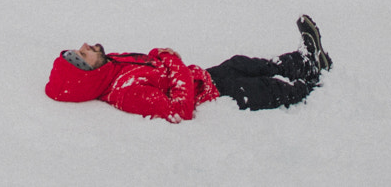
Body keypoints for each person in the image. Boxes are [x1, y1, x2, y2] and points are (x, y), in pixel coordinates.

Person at [42, 16, 331, 122]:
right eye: (82, 54)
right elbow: (179, 109)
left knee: (243, 63)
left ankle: (304, 62)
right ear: (87, 73)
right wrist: (172, 61)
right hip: (214, 98)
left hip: (203, 77)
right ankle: (315, 86)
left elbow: (155, 65)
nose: (85, 45)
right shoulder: (125, 94)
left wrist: (164, 58)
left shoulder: (113, 64)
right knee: (267, 90)